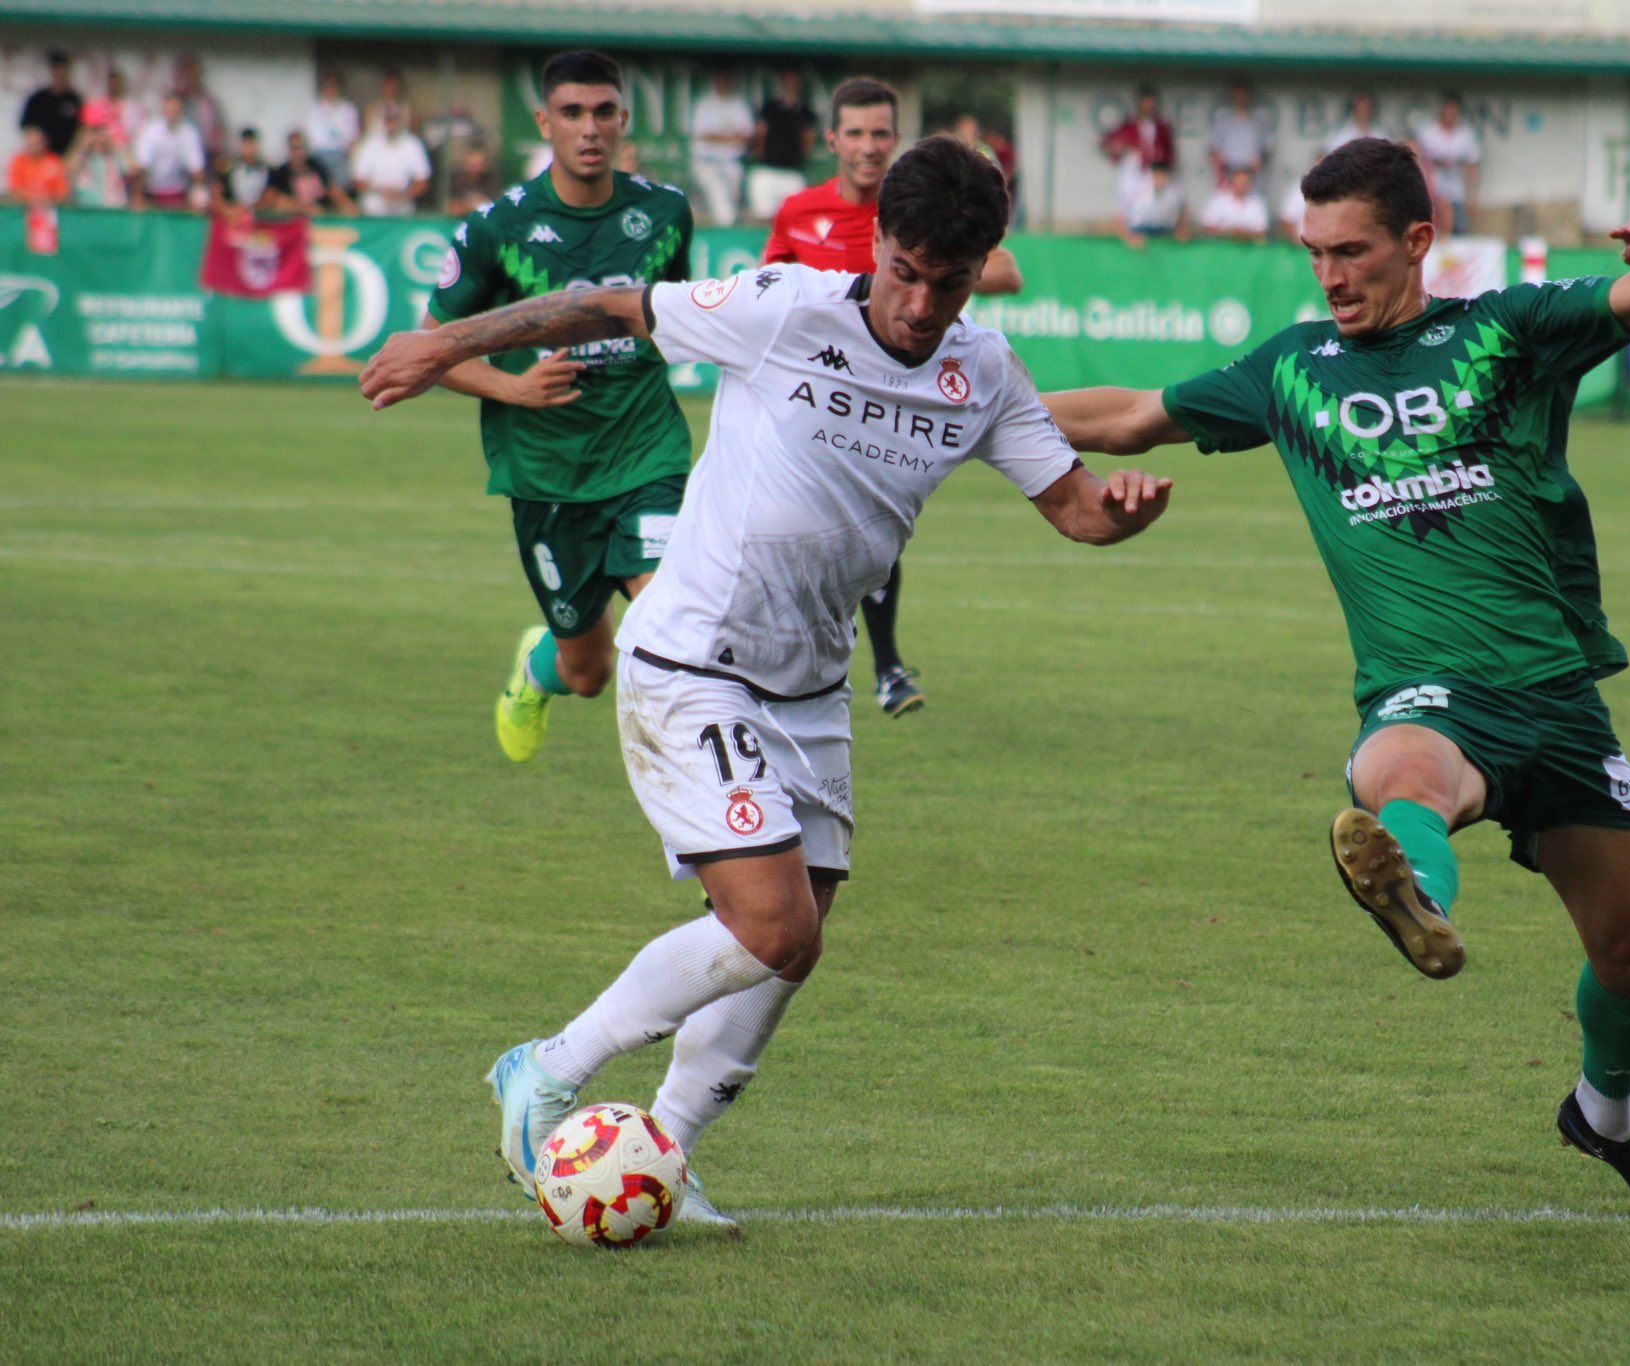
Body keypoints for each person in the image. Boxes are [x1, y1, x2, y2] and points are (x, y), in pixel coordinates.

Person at [359, 135, 1173, 1227]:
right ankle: (547, 1068)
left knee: (795, 938)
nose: (923, 301)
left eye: (952, 281)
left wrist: (1120, 517)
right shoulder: (784, 308)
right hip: (692, 658)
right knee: (772, 927)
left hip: (807, 687)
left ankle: (670, 1150)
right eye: (907, 271)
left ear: (980, 271)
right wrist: (443, 341)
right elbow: (609, 304)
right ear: (877, 242)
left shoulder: (980, 371)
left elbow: (1072, 506)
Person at [1041, 139, 1630, 1220]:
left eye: (1349, 250)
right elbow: (1128, 415)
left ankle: (1604, 1116)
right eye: (1312, 253)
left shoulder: (1507, 330)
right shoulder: (1292, 369)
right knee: (1401, 765)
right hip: (1424, 688)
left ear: (1415, 240)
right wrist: (964, 412)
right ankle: (1412, 895)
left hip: (1553, 694)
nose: (1328, 275)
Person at [421, 50, 698, 766]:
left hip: (647, 453)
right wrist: (512, 388)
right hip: (548, 474)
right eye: (572, 113)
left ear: (623, 119)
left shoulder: (665, 213)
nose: (590, 128)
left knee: (672, 621)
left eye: (604, 111)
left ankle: (710, 798)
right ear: (545, 122)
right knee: (590, 673)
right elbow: (431, 348)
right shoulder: (496, 228)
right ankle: (540, 666)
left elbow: (671, 315)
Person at [763, 77, 1027, 717]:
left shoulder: (918, 211)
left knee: (868, 534)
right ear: (832, 140)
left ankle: (883, 668)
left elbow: (1009, 270)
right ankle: (845, 666)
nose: (868, 146)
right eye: (855, 133)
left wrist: (930, 276)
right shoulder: (801, 213)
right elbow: (767, 289)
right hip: (815, 400)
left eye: (881, 133)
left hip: (898, 398)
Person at [747, 68, 817, 220]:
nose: (790, 85)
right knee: (763, 215)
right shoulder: (770, 107)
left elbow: (808, 139)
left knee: (793, 217)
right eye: (787, 81)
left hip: (792, 173)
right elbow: (760, 134)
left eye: (794, 81)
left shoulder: (806, 111)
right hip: (767, 170)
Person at [688, 70, 754, 227]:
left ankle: (727, 227)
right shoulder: (705, 104)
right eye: (720, 79)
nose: (723, 83)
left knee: (732, 199)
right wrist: (730, 137)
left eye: (726, 80)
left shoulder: (739, 104)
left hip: (732, 163)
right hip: (706, 162)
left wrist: (719, 137)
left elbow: (747, 136)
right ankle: (726, 232)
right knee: (720, 198)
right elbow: (702, 135)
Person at [1101, 84, 1176, 218]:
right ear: (1139, 102)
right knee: (1128, 202)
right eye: (1145, 101)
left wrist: (1162, 160)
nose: (1149, 105)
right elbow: (1106, 144)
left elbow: (1169, 154)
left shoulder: (1161, 126)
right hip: (1133, 171)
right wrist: (1125, 149)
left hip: (1154, 173)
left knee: (1161, 200)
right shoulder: (1129, 125)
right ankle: (1129, 231)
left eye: (1151, 101)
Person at [1414, 93, 1480, 235]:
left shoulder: (1466, 134)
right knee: (1432, 233)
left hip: (1458, 194)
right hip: (1433, 194)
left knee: (1459, 233)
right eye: (1447, 112)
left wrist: (1472, 197)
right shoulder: (1428, 133)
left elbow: (1472, 165)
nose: (1450, 116)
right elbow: (1419, 160)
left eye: (1454, 112)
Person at [351, 102, 432, 215]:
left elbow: (423, 181)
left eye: (394, 120)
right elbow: (358, 180)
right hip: (374, 203)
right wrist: (382, 191)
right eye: (388, 120)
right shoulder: (369, 144)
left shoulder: (412, 144)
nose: (390, 124)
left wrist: (403, 194)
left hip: (402, 202)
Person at [134, 93, 208, 209]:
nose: (172, 114)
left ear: (181, 111)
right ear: (163, 110)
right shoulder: (151, 131)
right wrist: (138, 197)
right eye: (169, 110)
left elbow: (197, 170)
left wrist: (197, 197)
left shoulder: (189, 133)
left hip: (179, 194)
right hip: (152, 193)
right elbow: (142, 166)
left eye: (176, 111)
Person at [265, 130, 355, 214]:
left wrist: (347, 205)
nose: (298, 152)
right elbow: (272, 199)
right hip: (297, 217)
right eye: (294, 148)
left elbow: (333, 189)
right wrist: (303, 207)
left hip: (321, 215)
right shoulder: (281, 173)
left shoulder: (316, 166)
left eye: (300, 147)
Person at [1207, 78, 1271, 185]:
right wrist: (1221, 165)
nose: (1241, 98)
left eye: (1244, 94)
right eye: (1237, 94)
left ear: (1250, 96)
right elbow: (1212, 149)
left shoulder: (1259, 120)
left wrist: (1259, 162)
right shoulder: (1223, 118)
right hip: (1228, 173)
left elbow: (1267, 149)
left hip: (1251, 175)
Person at [19, 50, 82, 158]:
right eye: (55, 68)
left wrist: (73, 157)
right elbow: (27, 127)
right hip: (41, 160)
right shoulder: (38, 98)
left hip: (66, 159)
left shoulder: (74, 100)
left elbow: (81, 131)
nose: (58, 72)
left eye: (62, 68)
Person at [66, 111, 135, 208]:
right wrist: (82, 145)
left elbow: (133, 170)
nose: (98, 137)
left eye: (101, 132)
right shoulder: (81, 156)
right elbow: (69, 170)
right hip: (87, 213)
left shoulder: (115, 155)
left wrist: (116, 143)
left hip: (113, 212)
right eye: (94, 131)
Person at [304, 71, 360, 186]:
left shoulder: (348, 109)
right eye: (327, 86)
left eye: (333, 86)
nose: (330, 90)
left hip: (340, 155)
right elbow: (307, 137)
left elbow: (353, 138)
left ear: (339, 88)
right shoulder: (314, 109)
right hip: (317, 155)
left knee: (342, 184)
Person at [170, 55, 226, 162]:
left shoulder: (208, 103)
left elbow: (218, 134)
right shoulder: (173, 102)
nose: (188, 78)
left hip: (205, 157)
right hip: (176, 160)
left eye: (191, 72)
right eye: (184, 73)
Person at [1120, 159, 1188, 246]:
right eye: (1156, 176)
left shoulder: (1174, 193)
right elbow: (1119, 217)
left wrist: (1181, 229)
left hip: (1164, 233)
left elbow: (1182, 210)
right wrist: (1129, 237)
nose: (1159, 180)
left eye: (1162, 176)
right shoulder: (1137, 191)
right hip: (1139, 231)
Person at [1197, 166, 1270, 243]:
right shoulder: (1217, 200)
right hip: (1220, 245)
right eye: (1239, 182)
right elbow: (1206, 227)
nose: (1242, 186)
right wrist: (1230, 233)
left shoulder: (1258, 202)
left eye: (1245, 182)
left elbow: (1262, 230)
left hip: (1248, 246)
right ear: (1231, 183)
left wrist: (1244, 234)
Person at [80, 65, 140, 151]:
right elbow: (87, 133)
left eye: (117, 83)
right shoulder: (97, 106)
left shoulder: (131, 108)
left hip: (124, 152)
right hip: (101, 151)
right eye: (112, 83)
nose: (115, 86)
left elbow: (134, 136)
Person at [6, 125, 68, 205]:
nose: (34, 147)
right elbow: (15, 189)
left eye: (37, 143)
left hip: (50, 207)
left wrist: (45, 200)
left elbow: (62, 192)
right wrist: (33, 199)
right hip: (23, 207)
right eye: (31, 144)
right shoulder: (19, 161)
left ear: (44, 142)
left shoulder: (54, 161)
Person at [215, 128, 271, 208]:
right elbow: (219, 192)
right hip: (236, 212)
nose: (248, 148)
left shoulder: (266, 169)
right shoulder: (231, 168)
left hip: (259, 213)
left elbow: (270, 195)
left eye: (251, 143)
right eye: (245, 144)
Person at [1323, 91, 1390, 155]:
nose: (1363, 111)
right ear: (1355, 109)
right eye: (1360, 108)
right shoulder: (1343, 134)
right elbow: (1329, 152)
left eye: (1366, 108)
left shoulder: (1379, 134)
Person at [443, 142, 498, 215]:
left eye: (479, 165)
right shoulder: (455, 180)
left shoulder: (490, 180)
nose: (476, 170)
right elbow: (450, 207)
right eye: (472, 165)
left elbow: (495, 206)